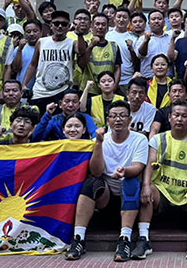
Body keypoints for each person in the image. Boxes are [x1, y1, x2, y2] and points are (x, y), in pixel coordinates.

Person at [66, 101, 148, 262]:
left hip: (130, 196)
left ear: (130, 119)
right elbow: (96, 171)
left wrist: (125, 171)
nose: (118, 119)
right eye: (114, 116)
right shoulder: (102, 138)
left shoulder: (139, 139)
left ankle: (124, 239)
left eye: (122, 116)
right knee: (91, 183)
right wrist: (98, 143)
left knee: (130, 182)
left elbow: (138, 167)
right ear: (108, 119)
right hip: (106, 195)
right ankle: (78, 239)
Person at [131, 100, 187, 261]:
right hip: (163, 190)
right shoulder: (158, 139)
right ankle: (143, 239)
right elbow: (149, 165)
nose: (180, 119)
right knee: (147, 190)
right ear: (169, 118)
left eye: (184, 116)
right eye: (176, 115)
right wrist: (146, 185)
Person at [24, 10, 87, 112]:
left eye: (64, 24)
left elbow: (81, 50)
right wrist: (24, 84)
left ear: (69, 26)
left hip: (61, 93)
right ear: (51, 25)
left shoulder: (72, 43)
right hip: (40, 92)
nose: (60, 26)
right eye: (57, 23)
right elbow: (33, 64)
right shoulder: (41, 42)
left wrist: (79, 34)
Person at [76, 13, 121, 94]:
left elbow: (117, 68)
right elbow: (81, 64)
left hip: (107, 90)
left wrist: (114, 87)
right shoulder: (85, 43)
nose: (100, 27)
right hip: (88, 89)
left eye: (103, 24)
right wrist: (91, 46)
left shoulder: (114, 46)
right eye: (97, 24)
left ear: (107, 28)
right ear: (92, 26)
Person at [32, 88, 97, 141]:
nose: (71, 105)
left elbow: (95, 134)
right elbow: (36, 138)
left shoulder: (85, 118)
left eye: (74, 102)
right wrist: (47, 115)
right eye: (67, 101)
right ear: (60, 104)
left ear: (79, 104)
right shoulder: (54, 119)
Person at [106, 7, 141, 94]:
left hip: (128, 80)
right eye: (119, 17)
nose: (121, 20)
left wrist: (131, 50)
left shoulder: (134, 38)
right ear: (114, 18)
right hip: (108, 80)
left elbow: (137, 62)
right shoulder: (107, 36)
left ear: (129, 20)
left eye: (125, 17)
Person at [136, 9, 172, 79]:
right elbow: (140, 55)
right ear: (149, 23)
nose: (156, 21)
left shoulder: (170, 38)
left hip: (167, 79)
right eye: (153, 19)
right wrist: (146, 41)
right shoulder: (142, 38)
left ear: (164, 22)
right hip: (148, 78)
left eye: (159, 19)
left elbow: (172, 58)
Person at [8, 19, 41, 90]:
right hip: (23, 90)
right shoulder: (19, 49)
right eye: (28, 32)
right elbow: (15, 69)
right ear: (25, 34)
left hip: (41, 91)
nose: (32, 34)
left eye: (35, 31)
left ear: (41, 32)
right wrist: (19, 49)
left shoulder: (46, 48)